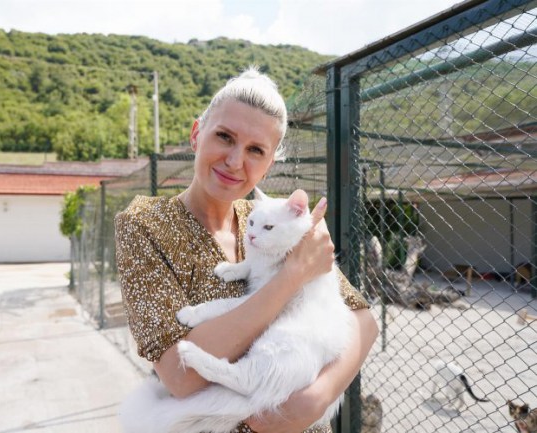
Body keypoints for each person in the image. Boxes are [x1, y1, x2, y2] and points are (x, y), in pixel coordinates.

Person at [115, 67, 379, 433]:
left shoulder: (273, 219)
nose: (236, 161)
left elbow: (363, 320)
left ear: (269, 165)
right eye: (225, 136)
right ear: (196, 134)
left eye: (256, 150)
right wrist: (291, 276)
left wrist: (315, 399)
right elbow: (182, 375)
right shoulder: (145, 224)